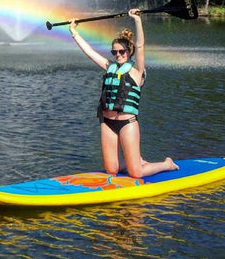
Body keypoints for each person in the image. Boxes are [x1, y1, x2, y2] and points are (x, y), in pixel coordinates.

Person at [69, 9, 178, 178]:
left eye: (121, 52)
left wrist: (137, 20)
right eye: (114, 52)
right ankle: (136, 159)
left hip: (127, 123)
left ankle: (166, 164)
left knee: (136, 174)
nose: (118, 55)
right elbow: (89, 52)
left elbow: (141, 45)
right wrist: (74, 32)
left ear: (129, 52)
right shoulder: (109, 66)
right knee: (111, 170)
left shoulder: (136, 71)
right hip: (107, 123)